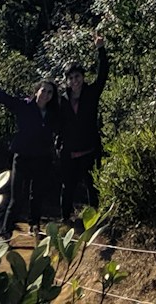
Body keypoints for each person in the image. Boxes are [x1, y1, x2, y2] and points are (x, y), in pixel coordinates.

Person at [0, 77, 60, 233]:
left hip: (42, 158)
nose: (46, 94)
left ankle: (34, 226)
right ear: (36, 91)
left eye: (50, 92)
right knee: (16, 198)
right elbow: (5, 98)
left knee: (37, 195)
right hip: (22, 157)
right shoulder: (24, 106)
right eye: (43, 90)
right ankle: (5, 232)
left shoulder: (53, 113)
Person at [54, 33, 109, 217]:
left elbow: (103, 75)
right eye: (71, 78)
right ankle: (66, 222)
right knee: (67, 188)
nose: (74, 81)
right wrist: (57, 144)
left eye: (77, 76)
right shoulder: (62, 100)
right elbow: (56, 123)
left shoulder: (91, 93)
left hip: (89, 149)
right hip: (69, 152)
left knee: (92, 187)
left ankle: (95, 219)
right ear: (67, 81)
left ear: (83, 77)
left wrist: (100, 49)